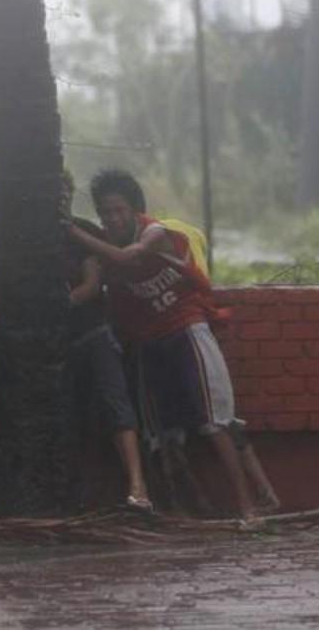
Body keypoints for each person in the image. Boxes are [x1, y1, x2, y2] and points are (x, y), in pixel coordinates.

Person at [68, 169, 279, 521]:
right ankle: (184, 510)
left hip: (187, 329)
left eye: (119, 210)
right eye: (105, 212)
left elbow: (129, 257)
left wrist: (72, 231)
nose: (112, 218)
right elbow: (98, 287)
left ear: (135, 210)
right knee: (165, 435)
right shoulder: (105, 247)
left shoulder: (154, 233)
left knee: (215, 422)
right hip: (148, 342)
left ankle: (249, 508)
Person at [0, 172, 152, 512]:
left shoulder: (82, 231)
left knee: (116, 406)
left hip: (92, 333)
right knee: (64, 418)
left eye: (64, 192)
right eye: (52, 193)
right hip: (51, 345)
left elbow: (91, 285)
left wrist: (50, 310)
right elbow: (12, 292)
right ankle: (69, 496)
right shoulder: (25, 240)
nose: (58, 199)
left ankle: (138, 487)